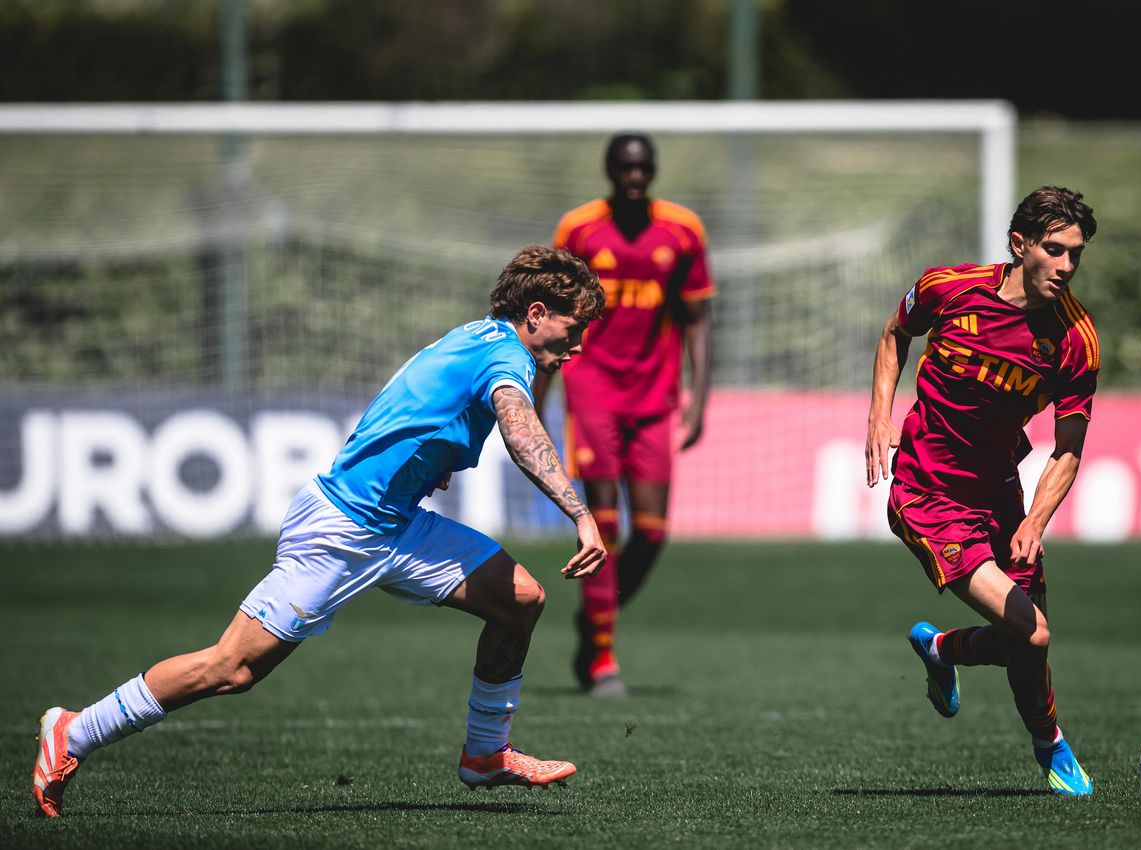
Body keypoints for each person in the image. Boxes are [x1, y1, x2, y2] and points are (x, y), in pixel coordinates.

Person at [31, 245, 608, 818]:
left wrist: (420, 466)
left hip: (395, 525)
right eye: (573, 328)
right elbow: (520, 430)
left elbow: (405, 405)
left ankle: (485, 754)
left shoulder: (476, 337)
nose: (578, 345)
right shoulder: (507, 359)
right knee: (233, 668)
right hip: (342, 529)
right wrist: (581, 515)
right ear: (535, 313)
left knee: (520, 599)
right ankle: (75, 731)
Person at [865, 186, 1100, 796]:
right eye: (1056, 250)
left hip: (1000, 492)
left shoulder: (1074, 339)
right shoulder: (950, 288)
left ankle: (942, 649)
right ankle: (1051, 744)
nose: (1067, 266)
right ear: (1020, 245)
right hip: (928, 497)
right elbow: (895, 333)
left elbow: (1068, 447)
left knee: (1029, 636)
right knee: (1034, 631)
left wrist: (1035, 522)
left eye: (1077, 253)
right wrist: (879, 415)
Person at [536, 132, 714, 697]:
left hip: (655, 393)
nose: (634, 178)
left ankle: (595, 620)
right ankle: (602, 658)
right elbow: (550, 317)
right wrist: (538, 395)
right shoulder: (580, 229)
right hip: (592, 387)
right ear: (611, 171)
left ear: (653, 171)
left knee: (654, 532)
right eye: (625, 169)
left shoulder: (682, 230)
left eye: (643, 169)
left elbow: (696, 319)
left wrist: (699, 398)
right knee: (604, 525)